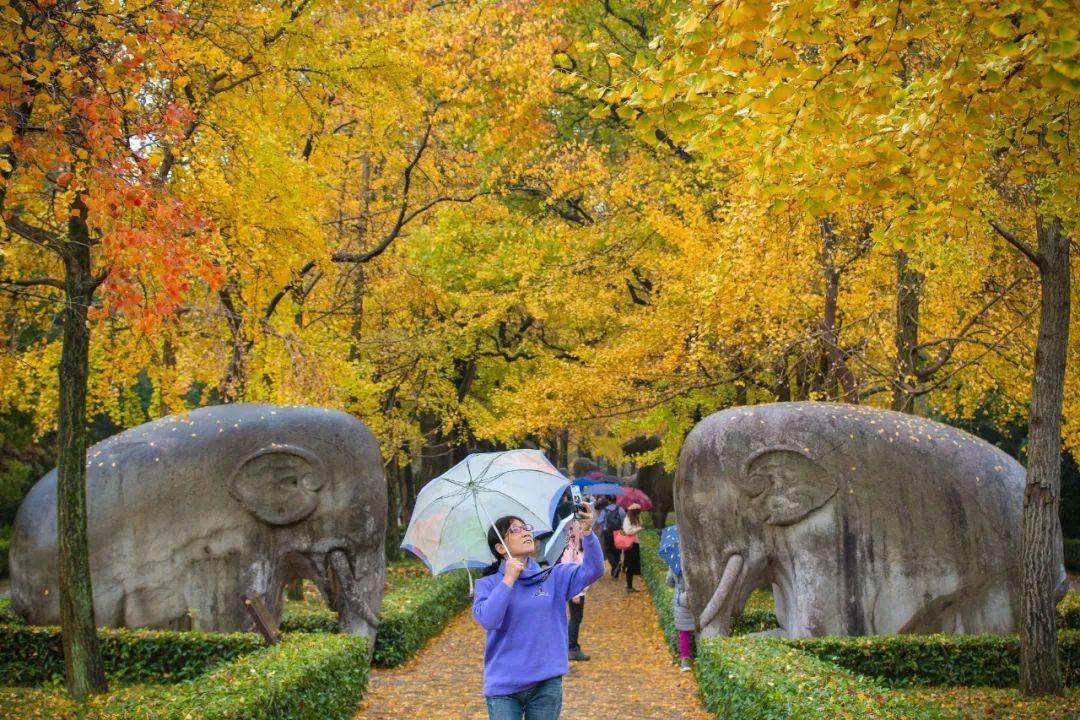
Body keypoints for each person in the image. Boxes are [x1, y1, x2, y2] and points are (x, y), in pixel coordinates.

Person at [473, 504, 604, 719]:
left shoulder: (553, 576)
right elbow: (489, 619)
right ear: (499, 548)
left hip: (545, 684)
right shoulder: (487, 584)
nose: (526, 532)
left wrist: (588, 533)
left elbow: (594, 570)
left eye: (526, 528)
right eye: (515, 530)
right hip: (504, 687)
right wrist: (508, 580)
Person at [665, 567, 695, 671]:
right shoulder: (698, 560)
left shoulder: (675, 562)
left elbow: (669, 582)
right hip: (698, 598)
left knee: (684, 633)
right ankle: (702, 655)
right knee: (700, 628)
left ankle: (685, 660)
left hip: (681, 601)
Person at [621, 503, 644, 592]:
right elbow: (628, 531)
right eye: (638, 512)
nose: (639, 513)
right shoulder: (627, 520)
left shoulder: (635, 519)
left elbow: (641, 525)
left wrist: (639, 522)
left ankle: (630, 585)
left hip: (635, 544)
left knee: (634, 566)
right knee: (630, 566)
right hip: (630, 545)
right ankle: (629, 586)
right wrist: (639, 529)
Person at [600, 497, 625, 578]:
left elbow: (599, 520)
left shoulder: (604, 510)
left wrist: (604, 522)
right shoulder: (620, 509)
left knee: (608, 550)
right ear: (615, 500)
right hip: (618, 532)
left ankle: (614, 566)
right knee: (617, 550)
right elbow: (624, 520)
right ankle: (617, 565)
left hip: (608, 532)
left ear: (608, 500)